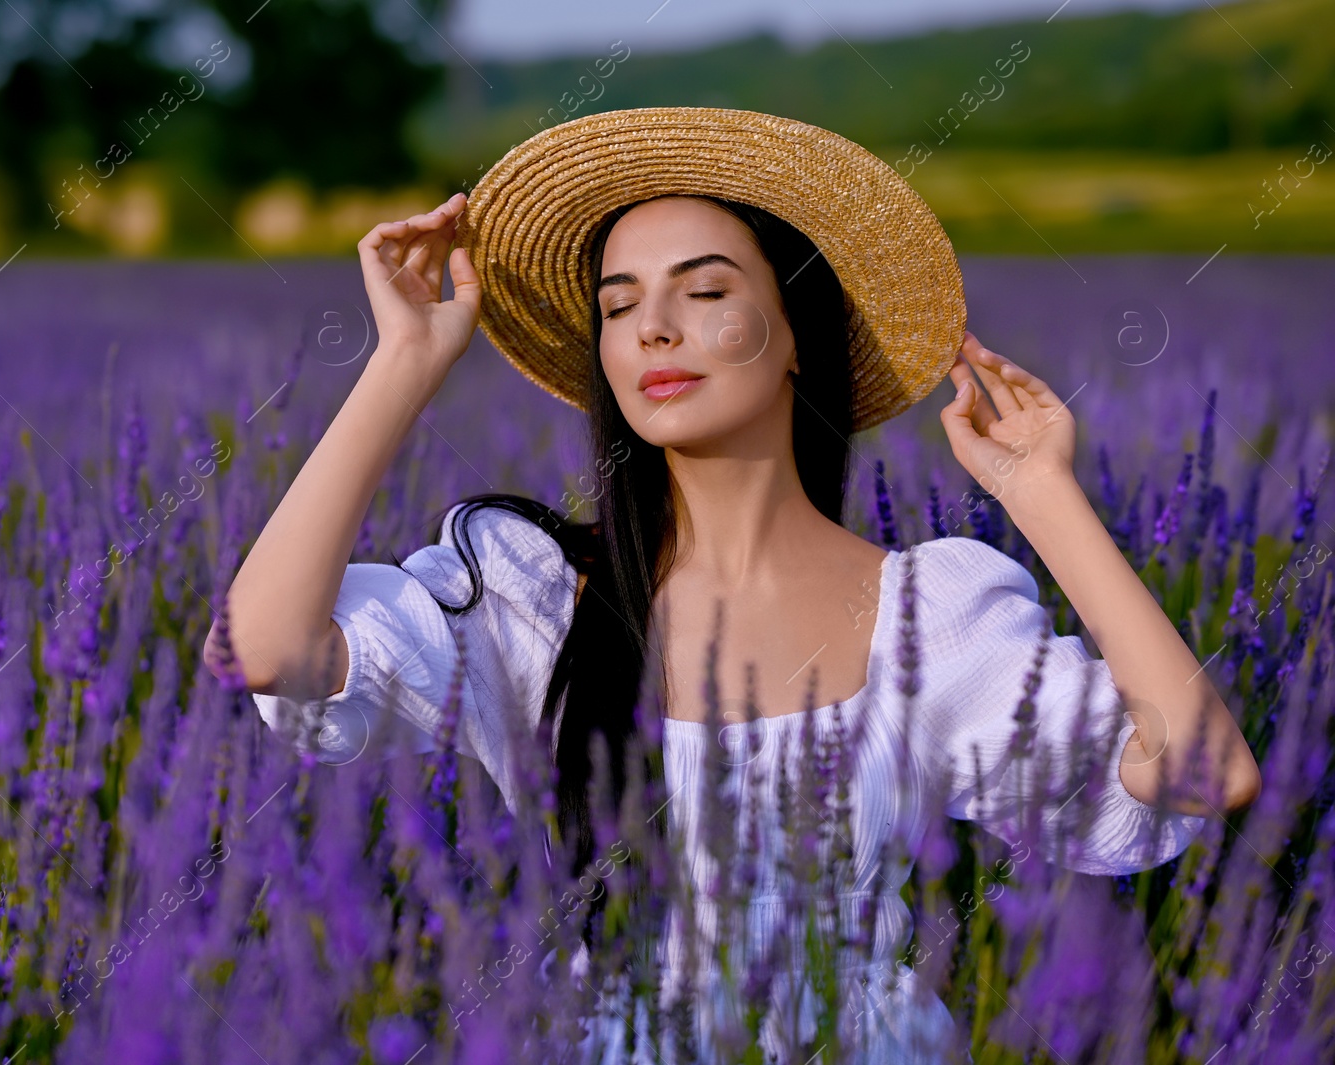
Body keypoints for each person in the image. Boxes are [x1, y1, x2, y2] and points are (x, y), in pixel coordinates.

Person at [205, 108, 1261, 1063]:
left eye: (705, 292)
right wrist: (403, 361)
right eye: (620, 307)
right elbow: (268, 647)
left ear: (801, 332)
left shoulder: (928, 615)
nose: (654, 329)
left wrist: (1043, 498)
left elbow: (1202, 771)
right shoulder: (534, 597)